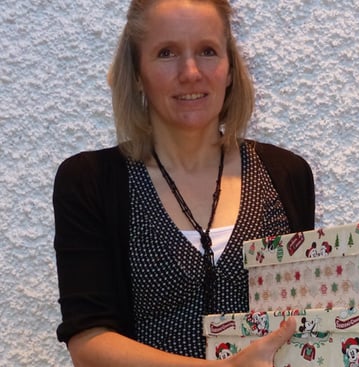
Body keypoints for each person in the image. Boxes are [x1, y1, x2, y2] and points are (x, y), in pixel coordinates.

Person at [52, 0, 315, 366]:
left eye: (207, 51)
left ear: (229, 69)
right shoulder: (91, 181)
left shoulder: (286, 174)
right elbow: (88, 343)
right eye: (166, 53)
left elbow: (303, 319)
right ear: (137, 71)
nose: (190, 72)